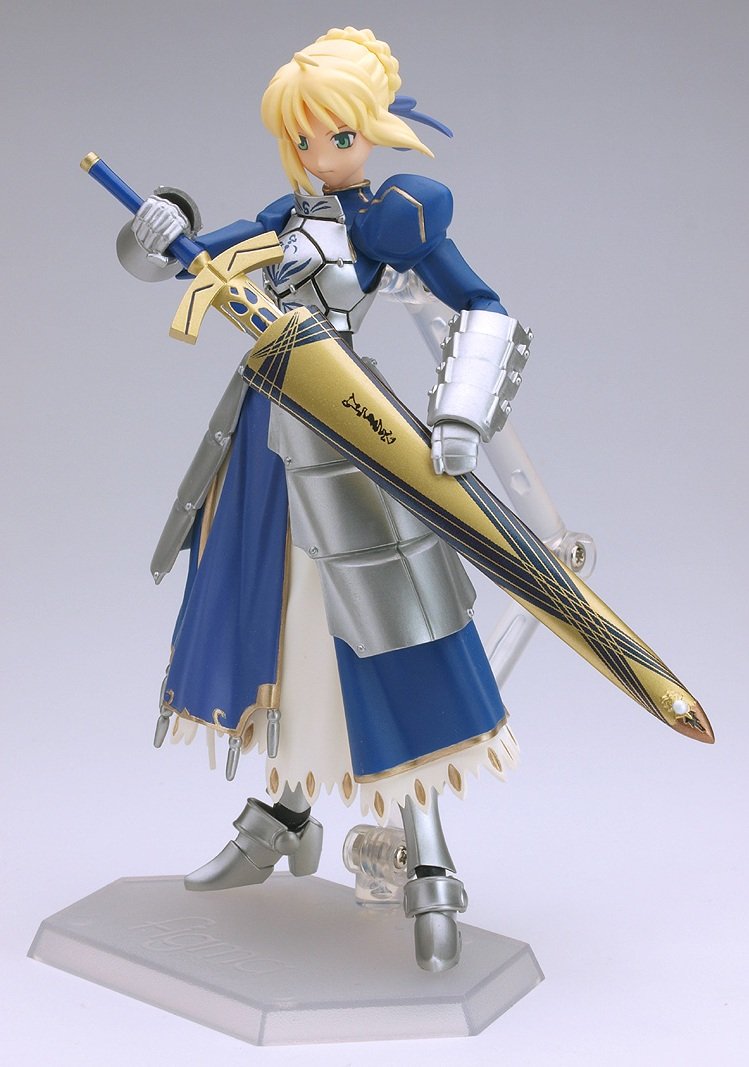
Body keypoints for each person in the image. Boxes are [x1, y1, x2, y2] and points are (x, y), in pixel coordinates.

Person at [119, 26, 527, 972]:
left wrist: (458, 417)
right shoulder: (283, 215)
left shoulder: (394, 218)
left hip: (352, 433)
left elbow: (483, 307)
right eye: (301, 139)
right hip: (267, 436)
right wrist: (158, 228)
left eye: (336, 136)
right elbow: (191, 261)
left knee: (389, 638)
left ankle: (430, 859)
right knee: (279, 626)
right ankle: (285, 815)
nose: (317, 154)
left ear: (371, 130)